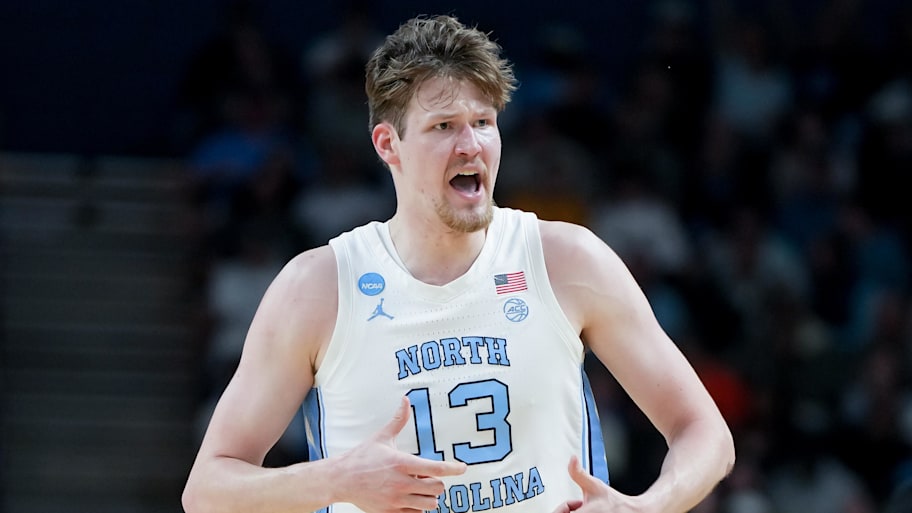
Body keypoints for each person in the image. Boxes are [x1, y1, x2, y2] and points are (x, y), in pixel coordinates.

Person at [182, 15, 735, 513]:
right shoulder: (318, 287)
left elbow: (704, 432)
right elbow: (208, 489)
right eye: (443, 126)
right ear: (388, 145)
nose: (470, 145)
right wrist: (336, 480)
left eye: (484, 122)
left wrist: (646, 508)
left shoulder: (567, 259)